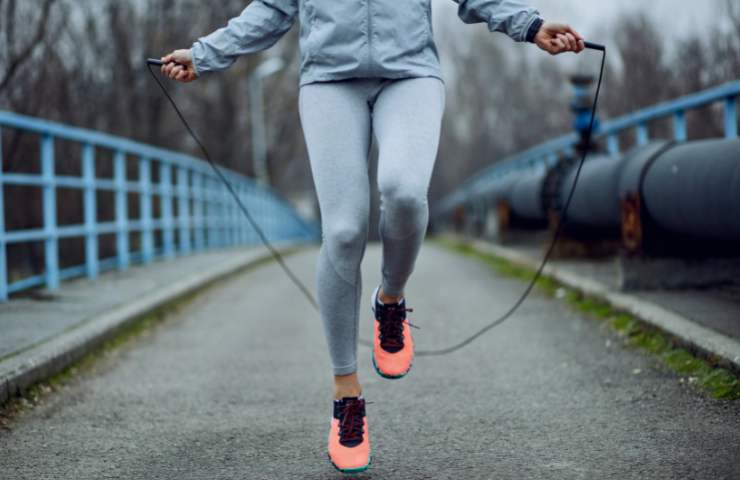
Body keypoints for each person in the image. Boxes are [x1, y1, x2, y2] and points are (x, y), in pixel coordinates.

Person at [158, 0, 585, 473]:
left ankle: (390, 298)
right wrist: (205, 54)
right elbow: (273, 9)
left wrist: (530, 25)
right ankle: (347, 394)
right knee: (342, 231)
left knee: (403, 192)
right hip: (328, 81)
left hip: (410, 74)